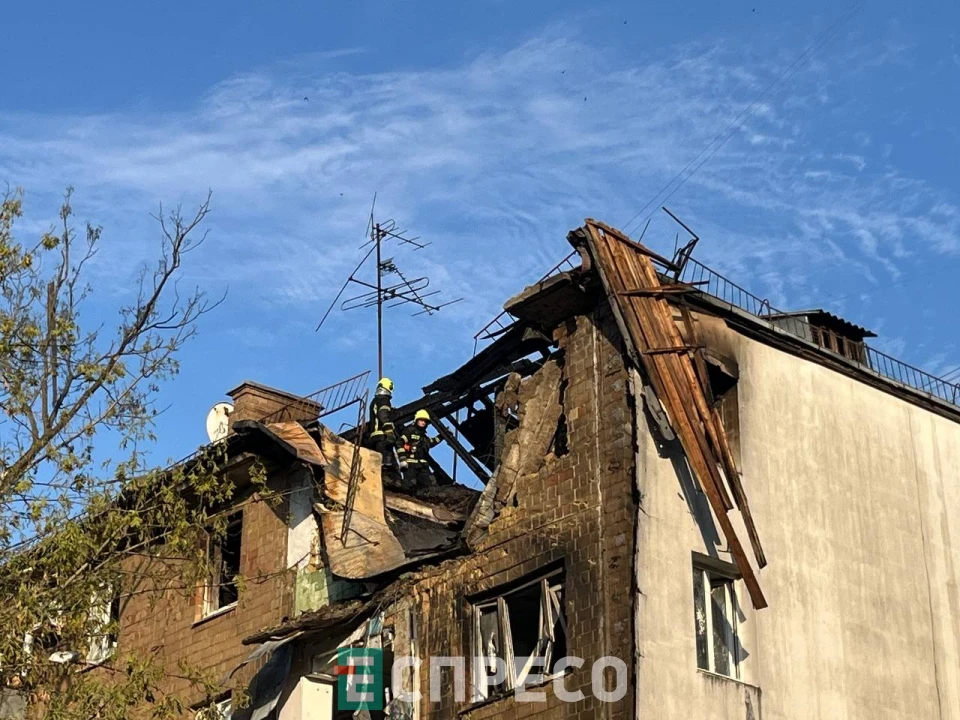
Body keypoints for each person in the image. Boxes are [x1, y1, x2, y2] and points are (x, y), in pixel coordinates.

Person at [398, 409, 442, 491]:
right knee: (410, 487)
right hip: (410, 465)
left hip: (423, 466)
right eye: (421, 420)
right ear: (416, 420)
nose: (423, 422)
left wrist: (441, 436)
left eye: (425, 421)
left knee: (432, 486)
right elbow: (399, 443)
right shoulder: (409, 431)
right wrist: (402, 459)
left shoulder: (424, 436)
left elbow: (431, 442)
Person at [369, 377, 397, 470]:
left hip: (375, 437)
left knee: (378, 466)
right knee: (388, 466)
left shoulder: (374, 401)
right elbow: (383, 414)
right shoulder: (384, 399)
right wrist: (389, 432)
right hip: (383, 436)